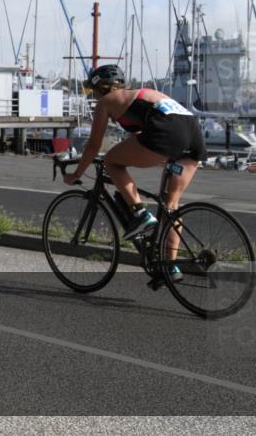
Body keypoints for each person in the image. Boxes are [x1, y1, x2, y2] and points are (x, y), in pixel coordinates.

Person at [63, 64, 207, 288]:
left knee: (111, 160)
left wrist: (76, 173)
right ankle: (169, 266)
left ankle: (140, 214)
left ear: (101, 88)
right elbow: (145, 134)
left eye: (93, 90)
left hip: (166, 131)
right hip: (192, 132)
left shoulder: (107, 101)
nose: (94, 96)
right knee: (171, 205)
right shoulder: (141, 94)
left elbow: (93, 145)